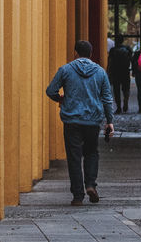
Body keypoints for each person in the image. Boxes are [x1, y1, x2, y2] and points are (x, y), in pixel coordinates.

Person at [46, 40, 114, 205]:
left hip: (72, 120)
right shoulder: (100, 72)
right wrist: (109, 121)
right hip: (92, 120)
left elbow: (50, 91)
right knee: (91, 152)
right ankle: (90, 184)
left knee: (74, 157)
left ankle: (78, 195)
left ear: (75, 52)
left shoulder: (66, 70)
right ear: (91, 54)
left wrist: (61, 98)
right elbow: (107, 98)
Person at [107, 38, 133, 113]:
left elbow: (110, 62)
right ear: (122, 41)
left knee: (116, 90)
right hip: (125, 71)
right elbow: (132, 59)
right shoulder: (127, 49)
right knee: (126, 88)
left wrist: (108, 71)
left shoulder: (113, 50)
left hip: (115, 72)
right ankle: (126, 101)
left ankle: (118, 107)